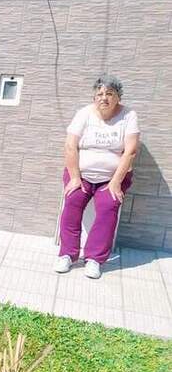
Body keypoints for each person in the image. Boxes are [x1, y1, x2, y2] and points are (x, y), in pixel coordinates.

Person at [54, 74, 139, 279]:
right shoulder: (84, 113)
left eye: (109, 93)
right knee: (72, 201)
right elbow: (70, 145)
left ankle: (94, 259)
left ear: (118, 97)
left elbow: (130, 151)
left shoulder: (129, 116)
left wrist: (116, 182)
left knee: (109, 207)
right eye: (99, 94)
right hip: (80, 175)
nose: (104, 98)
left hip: (112, 178)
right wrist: (75, 178)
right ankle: (68, 254)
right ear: (94, 98)